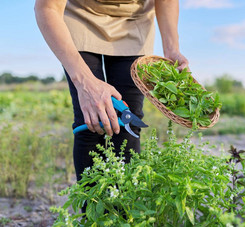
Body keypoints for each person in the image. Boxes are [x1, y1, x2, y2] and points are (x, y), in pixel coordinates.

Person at [34, 0, 189, 183]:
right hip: (81, 16)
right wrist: (85, 83)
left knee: (128, 125)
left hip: (134, 21)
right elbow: (47, 7)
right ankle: (92, 210)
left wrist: (172, 49)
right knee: (91, 121)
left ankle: (123, 208)